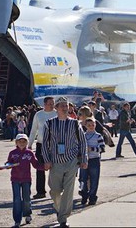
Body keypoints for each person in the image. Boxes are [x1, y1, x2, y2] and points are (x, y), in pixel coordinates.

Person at [42, 96, 88, 228]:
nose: (64, 107)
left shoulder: (74, 123)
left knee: (68, 190)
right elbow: (45, 143)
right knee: (55, 191)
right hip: (55, 161)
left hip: (71, 160)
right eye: (61, 105)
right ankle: (59, 208)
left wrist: (84, 159)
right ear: (56, 108)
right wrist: (47, 160)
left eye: (66, 105)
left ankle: (63, 218)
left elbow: (82, 142)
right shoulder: (49, 124)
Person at [5, 133, 44, 228]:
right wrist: (8, 165)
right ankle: (17, 220)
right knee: (17, 199)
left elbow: (35, 164)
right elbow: (8, 163)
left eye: (24, 141)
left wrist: (44, 167)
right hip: (15, 179)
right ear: (16, 143)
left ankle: (27, 214)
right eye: (20, 141)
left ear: (27, 143)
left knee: (26, 199)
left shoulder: (29, 153)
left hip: (26, 179)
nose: (22, 143)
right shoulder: (13, 153)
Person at [28, 96, 57, 199]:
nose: (52, 105)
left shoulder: (57, 113)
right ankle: (40, 192)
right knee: (40, 168)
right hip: (40, 144)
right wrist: (30, 144)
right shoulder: (38, 115)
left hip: (54, 145)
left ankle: (56, 190)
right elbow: (33, 130)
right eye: (49, 104)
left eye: (53, 103)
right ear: (44, 104)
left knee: (55, 168)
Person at [81, 117, 105, 206]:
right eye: (89, 125)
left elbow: (102, 148)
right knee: (83, 179)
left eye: (92, 125)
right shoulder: (82, 135)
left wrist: (92, 149)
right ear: (85, 126)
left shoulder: (98, 136)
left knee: (94, 180)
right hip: (84, 160)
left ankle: (92, 197)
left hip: (94, 160)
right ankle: (84, 194)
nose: (91, 127)